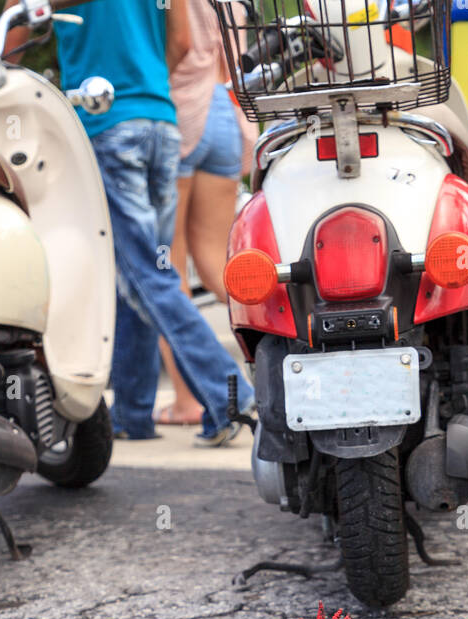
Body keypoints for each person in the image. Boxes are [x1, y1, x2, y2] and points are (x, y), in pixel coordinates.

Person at [4, 0, 254, 446]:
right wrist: (148, 79)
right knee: (142, 271)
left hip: (108, 124)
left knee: (146, 274)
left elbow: (12, 39)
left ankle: (227, 393)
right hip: (160, 122)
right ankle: (134, 413)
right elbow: (180, 42)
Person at [153, 0, 255, 428]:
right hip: (224, 111)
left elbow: (174, 43)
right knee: (218, 265)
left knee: (166, 264)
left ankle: (187, 401)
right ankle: (276, 365)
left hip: (180, 108)